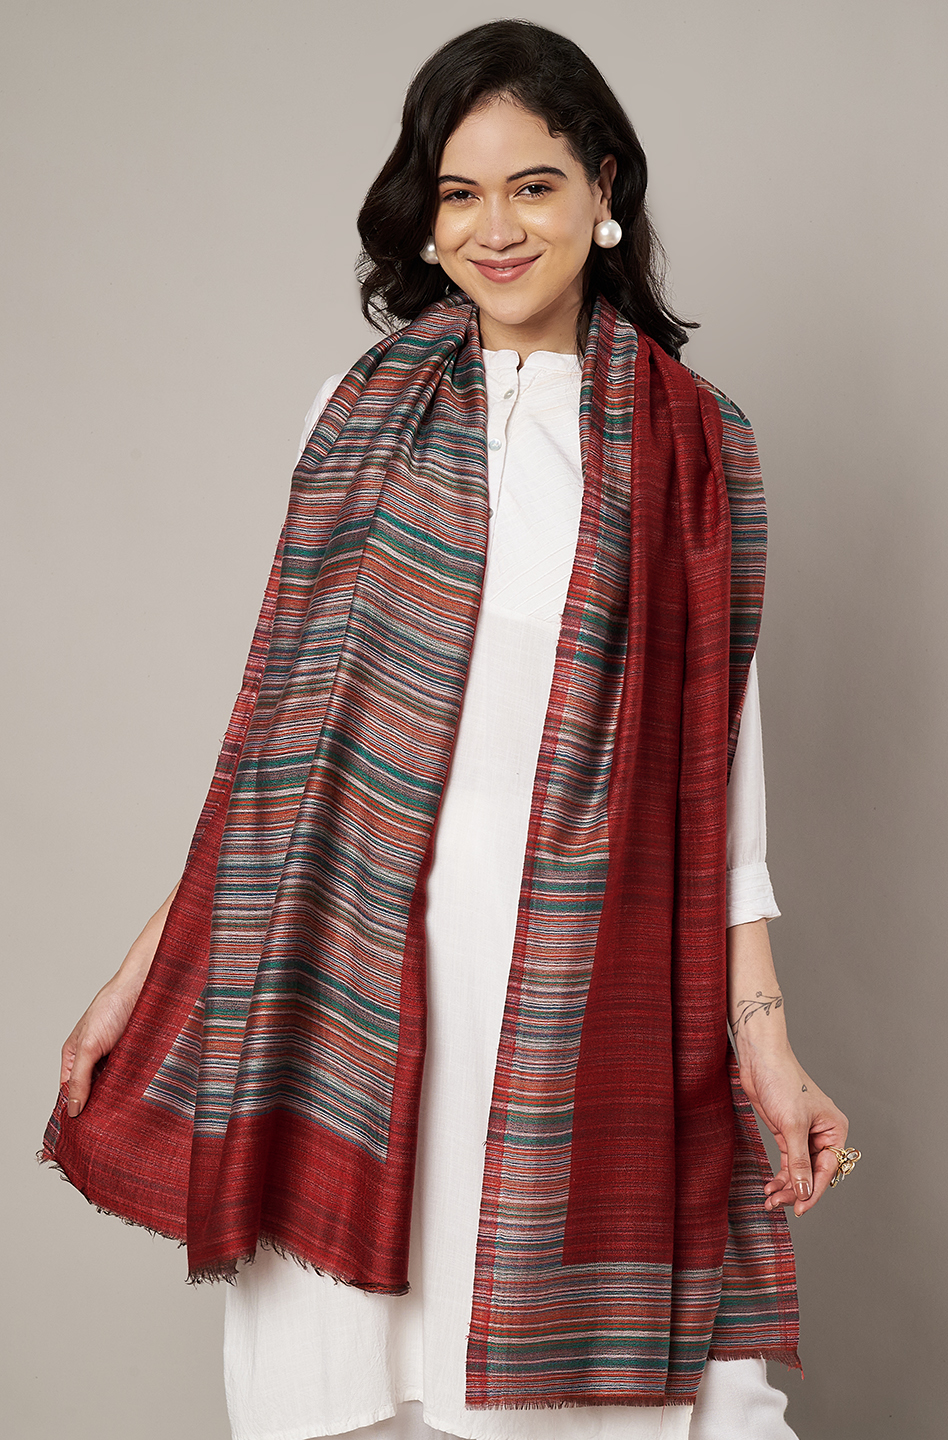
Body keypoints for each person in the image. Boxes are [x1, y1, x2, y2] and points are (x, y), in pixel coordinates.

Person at [45, 20, 856, 1440]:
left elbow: (722, 782)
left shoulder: (692, 446)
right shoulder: (352, 414)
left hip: (572, 979)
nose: (497, 228)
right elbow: (279, 749)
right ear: (424, 215)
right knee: (349, 1388)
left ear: (603, 191)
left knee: (573, 1398)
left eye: (533, 186)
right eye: (460, 192)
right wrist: (147, 967)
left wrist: (764, 1037)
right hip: (347, 978)